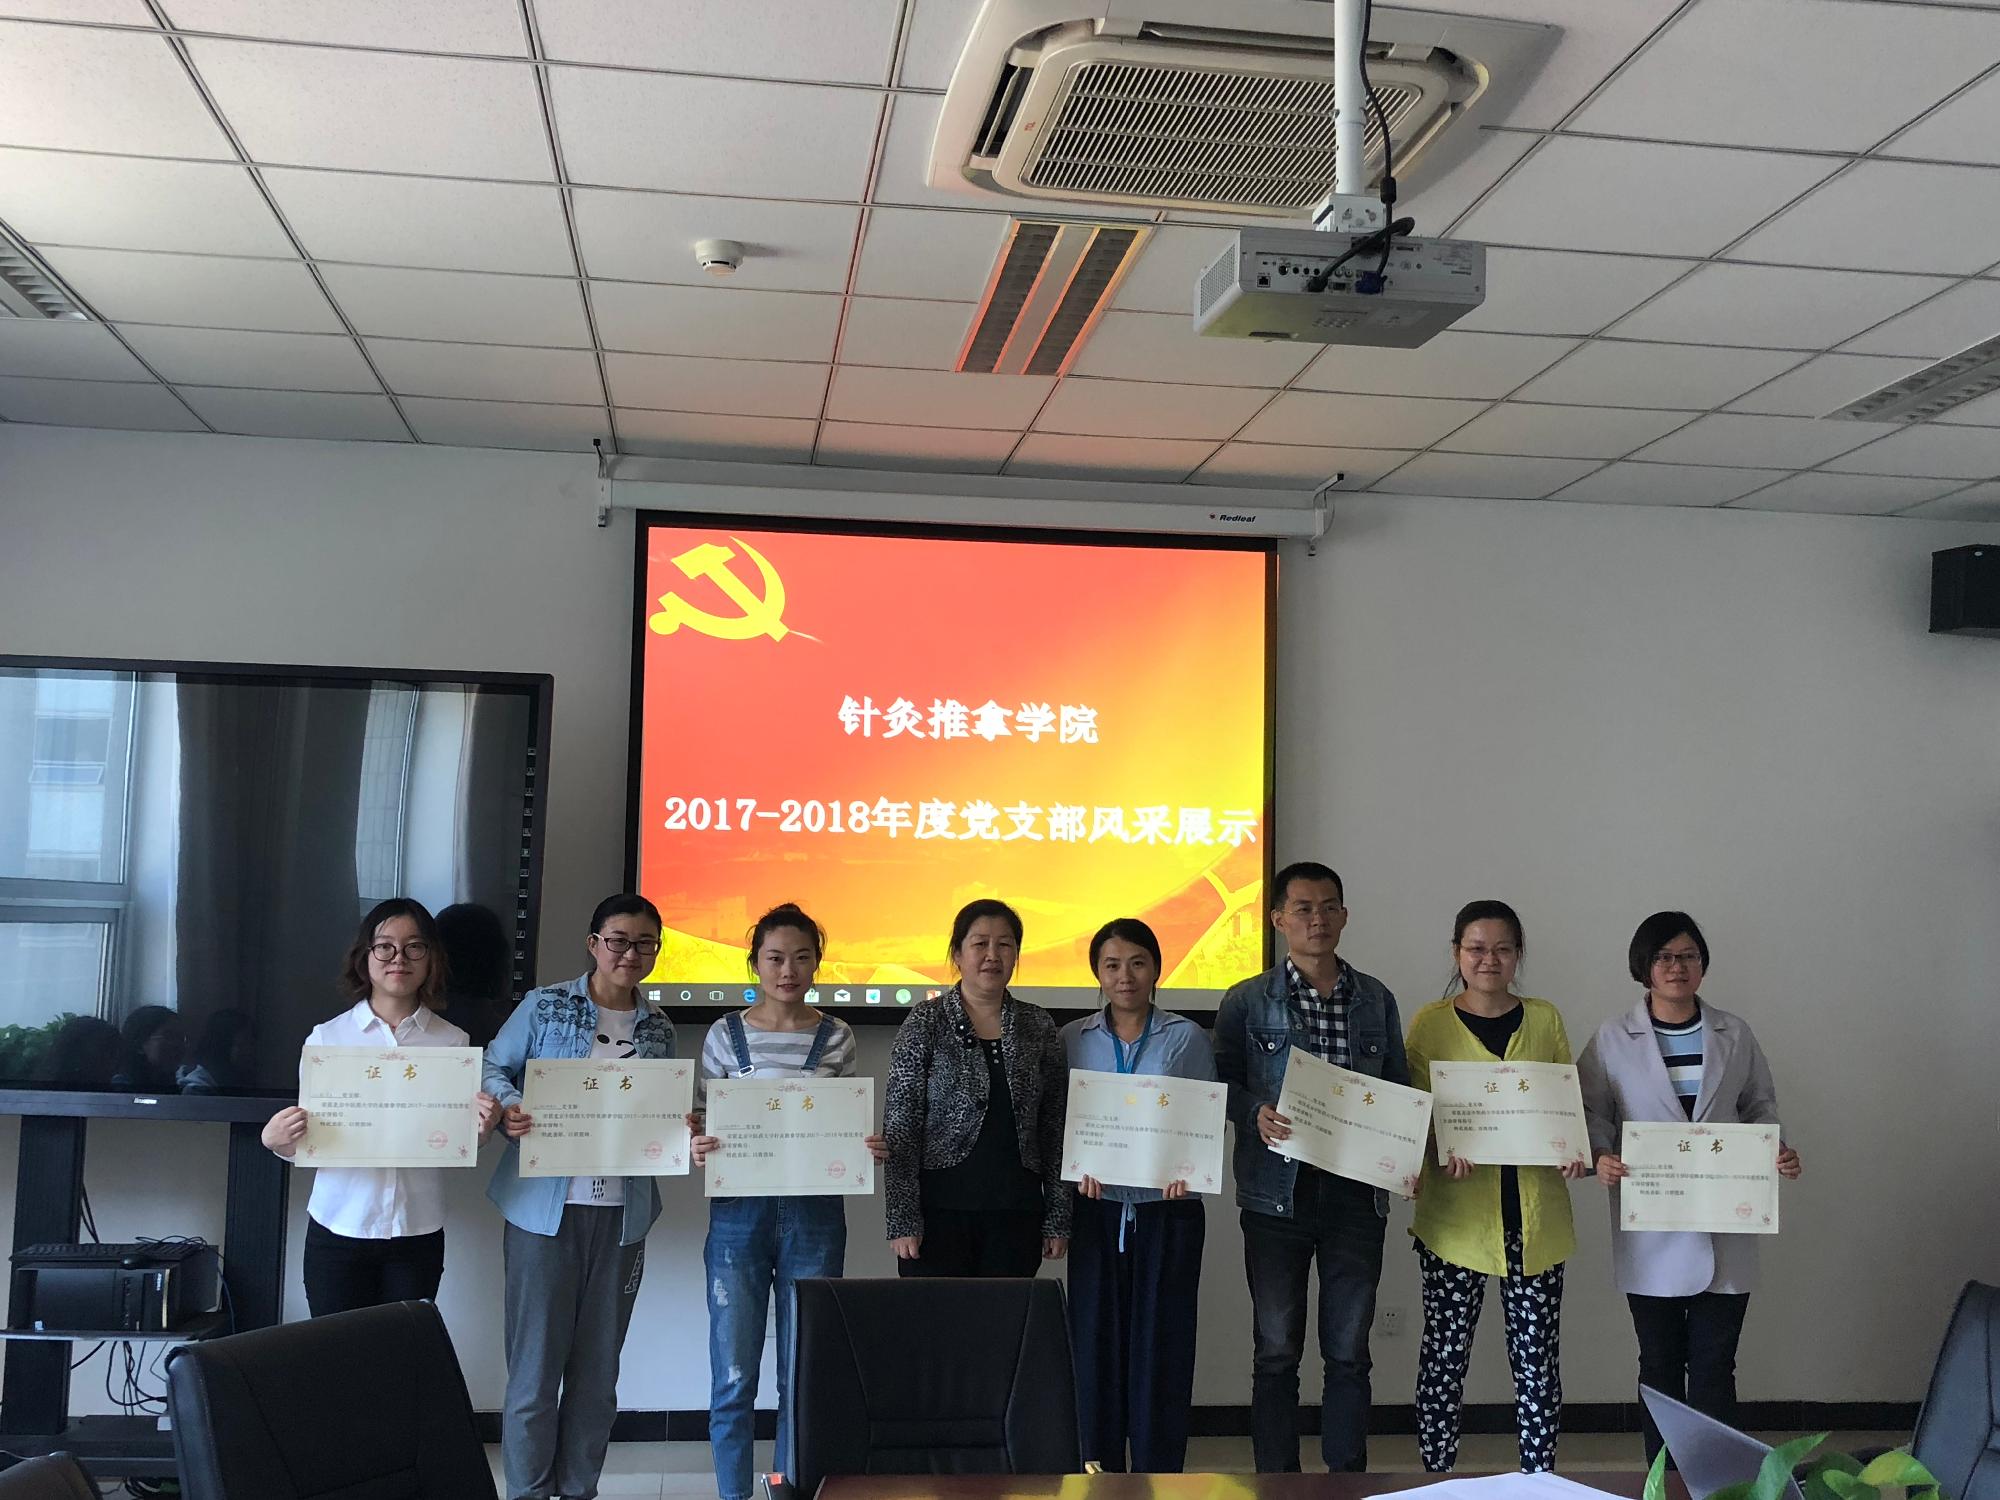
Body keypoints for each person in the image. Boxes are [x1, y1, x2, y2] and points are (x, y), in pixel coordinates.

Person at [1576, 911, 1803, 1463]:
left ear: (1702, 964)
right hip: (1651, 1224)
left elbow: (1759, 1105)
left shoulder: (1734, 1033)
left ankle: (1718, 1482)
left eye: (1688, 956)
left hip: (1725, 1220)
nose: (1676, 967)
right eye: (1664, 957)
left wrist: (1774, 1148)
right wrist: (1600, 1156)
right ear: (1644, 966)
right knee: (1658, 1364)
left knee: (1715, 1366)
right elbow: (1590, 1111)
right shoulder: (1612, 1037)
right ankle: (1663, 1480)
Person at [688, 903, 888, 1500]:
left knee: (803, 1372)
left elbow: (843, 1120)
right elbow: (702, 1115)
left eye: (802, 958)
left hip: (815, 1214)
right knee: (733, 1373)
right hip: (738, 1214)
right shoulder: (724, 1035)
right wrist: (698, 1142)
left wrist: (864, 1145)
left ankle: (790, 1489)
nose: (788, 970)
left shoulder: (838, 1036)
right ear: (755, 963)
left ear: (817, 964)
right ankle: (733, 1493)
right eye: (775, 958)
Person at [1213, 860, 1407, 1475]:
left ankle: (1345, 1478)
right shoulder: (1246, 1000)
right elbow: (1221, 1084)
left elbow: (1397, 1088)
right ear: (1277, 919)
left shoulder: (1376, 999)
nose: (1316, 919)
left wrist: (1404, 1155)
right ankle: (1277, 1479)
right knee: (1276, 1350)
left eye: (1328, 907)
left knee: (1349, 1351)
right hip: (1276, 1195)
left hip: (1357, 1196)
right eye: (1302, 908)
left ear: (1344, 916)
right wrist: (1254, 1112)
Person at [484, 894, 678, 1500]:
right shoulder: (545, 1005)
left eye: (645, 943)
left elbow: (660, 1112)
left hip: (622, 1217)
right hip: (544, 1212)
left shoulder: (659, 1028)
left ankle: (578, 1490)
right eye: (618, 940)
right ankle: (527, 1492)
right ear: (593, 943)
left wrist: (683, 1126)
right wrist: (510, 1107)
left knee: (597, 1377)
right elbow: (491, 1067)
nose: (630, 954)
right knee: (535, 1371)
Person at [1404, 901, 1590, 1474]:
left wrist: (1572, 1149)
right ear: (1457, 953)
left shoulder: (1545, 1019)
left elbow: (1564, 1103)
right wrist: (1438, 1148)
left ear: (1518, 955)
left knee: (1537, 1362)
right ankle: (1437, 1474)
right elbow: (1415, 1112)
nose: (1489, 959)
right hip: (1455, 1222)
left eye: (1502, 948)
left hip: (1535, 1220)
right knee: (1445, 1356)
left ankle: (1540, 1478)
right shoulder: (1431, 1023)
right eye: (1477, 948)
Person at [260, 898, 499, 1316]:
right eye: (385, 946)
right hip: (338, 1226)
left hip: (417, 1229)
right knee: (337, 1350)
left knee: (404, 1351)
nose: (398, 958)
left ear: (431, 958)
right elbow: (312, 1139)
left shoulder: (453, 1043)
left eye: (414, 947)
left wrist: (480, 1130)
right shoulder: (326, 1040)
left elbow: (452, 1139)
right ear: (365, 956)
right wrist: (277, 1141)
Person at [1059, 917, 1216, 1475]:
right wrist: (1075, 1170)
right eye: (1111, 965)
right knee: (1094, 1345)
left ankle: (1158, 1473)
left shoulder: (1187, 1037)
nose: (1124, 976)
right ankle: (1097, 1472)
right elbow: (1061, 1121)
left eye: (1137, 963)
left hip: (1168, 1213)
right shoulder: (1072, 1038)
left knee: (1162, 1347)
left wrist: (1189, 1170)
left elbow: (1204, 1118)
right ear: (1097, 974)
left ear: (1157, 969)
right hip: (1095, 1211)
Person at [883, 898, 1070, 1276]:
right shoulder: (926, 1020)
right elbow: (901, 1125)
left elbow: (1055, 1127)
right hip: (939, 1214)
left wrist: (1058, 1217)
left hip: (1016, 1213)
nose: (992, 955)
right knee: (937, 1315)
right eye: (980, 944)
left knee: (1007, 1314)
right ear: (957, 953)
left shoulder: (1038, 1025)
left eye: (1004, 945)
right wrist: (902, 1220)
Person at [178, 1008, 255, 1093]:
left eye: (251, 1043)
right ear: (223, 1045)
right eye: (242, 1044)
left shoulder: (239, 1079)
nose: (250, 1050)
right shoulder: (196, 1088)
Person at [113, 1004, 186, 1093]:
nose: (178, 1044)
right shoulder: (120, 1088)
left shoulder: (181, 1085)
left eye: (181, 1038)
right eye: (169, 1036)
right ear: (139, 1043)